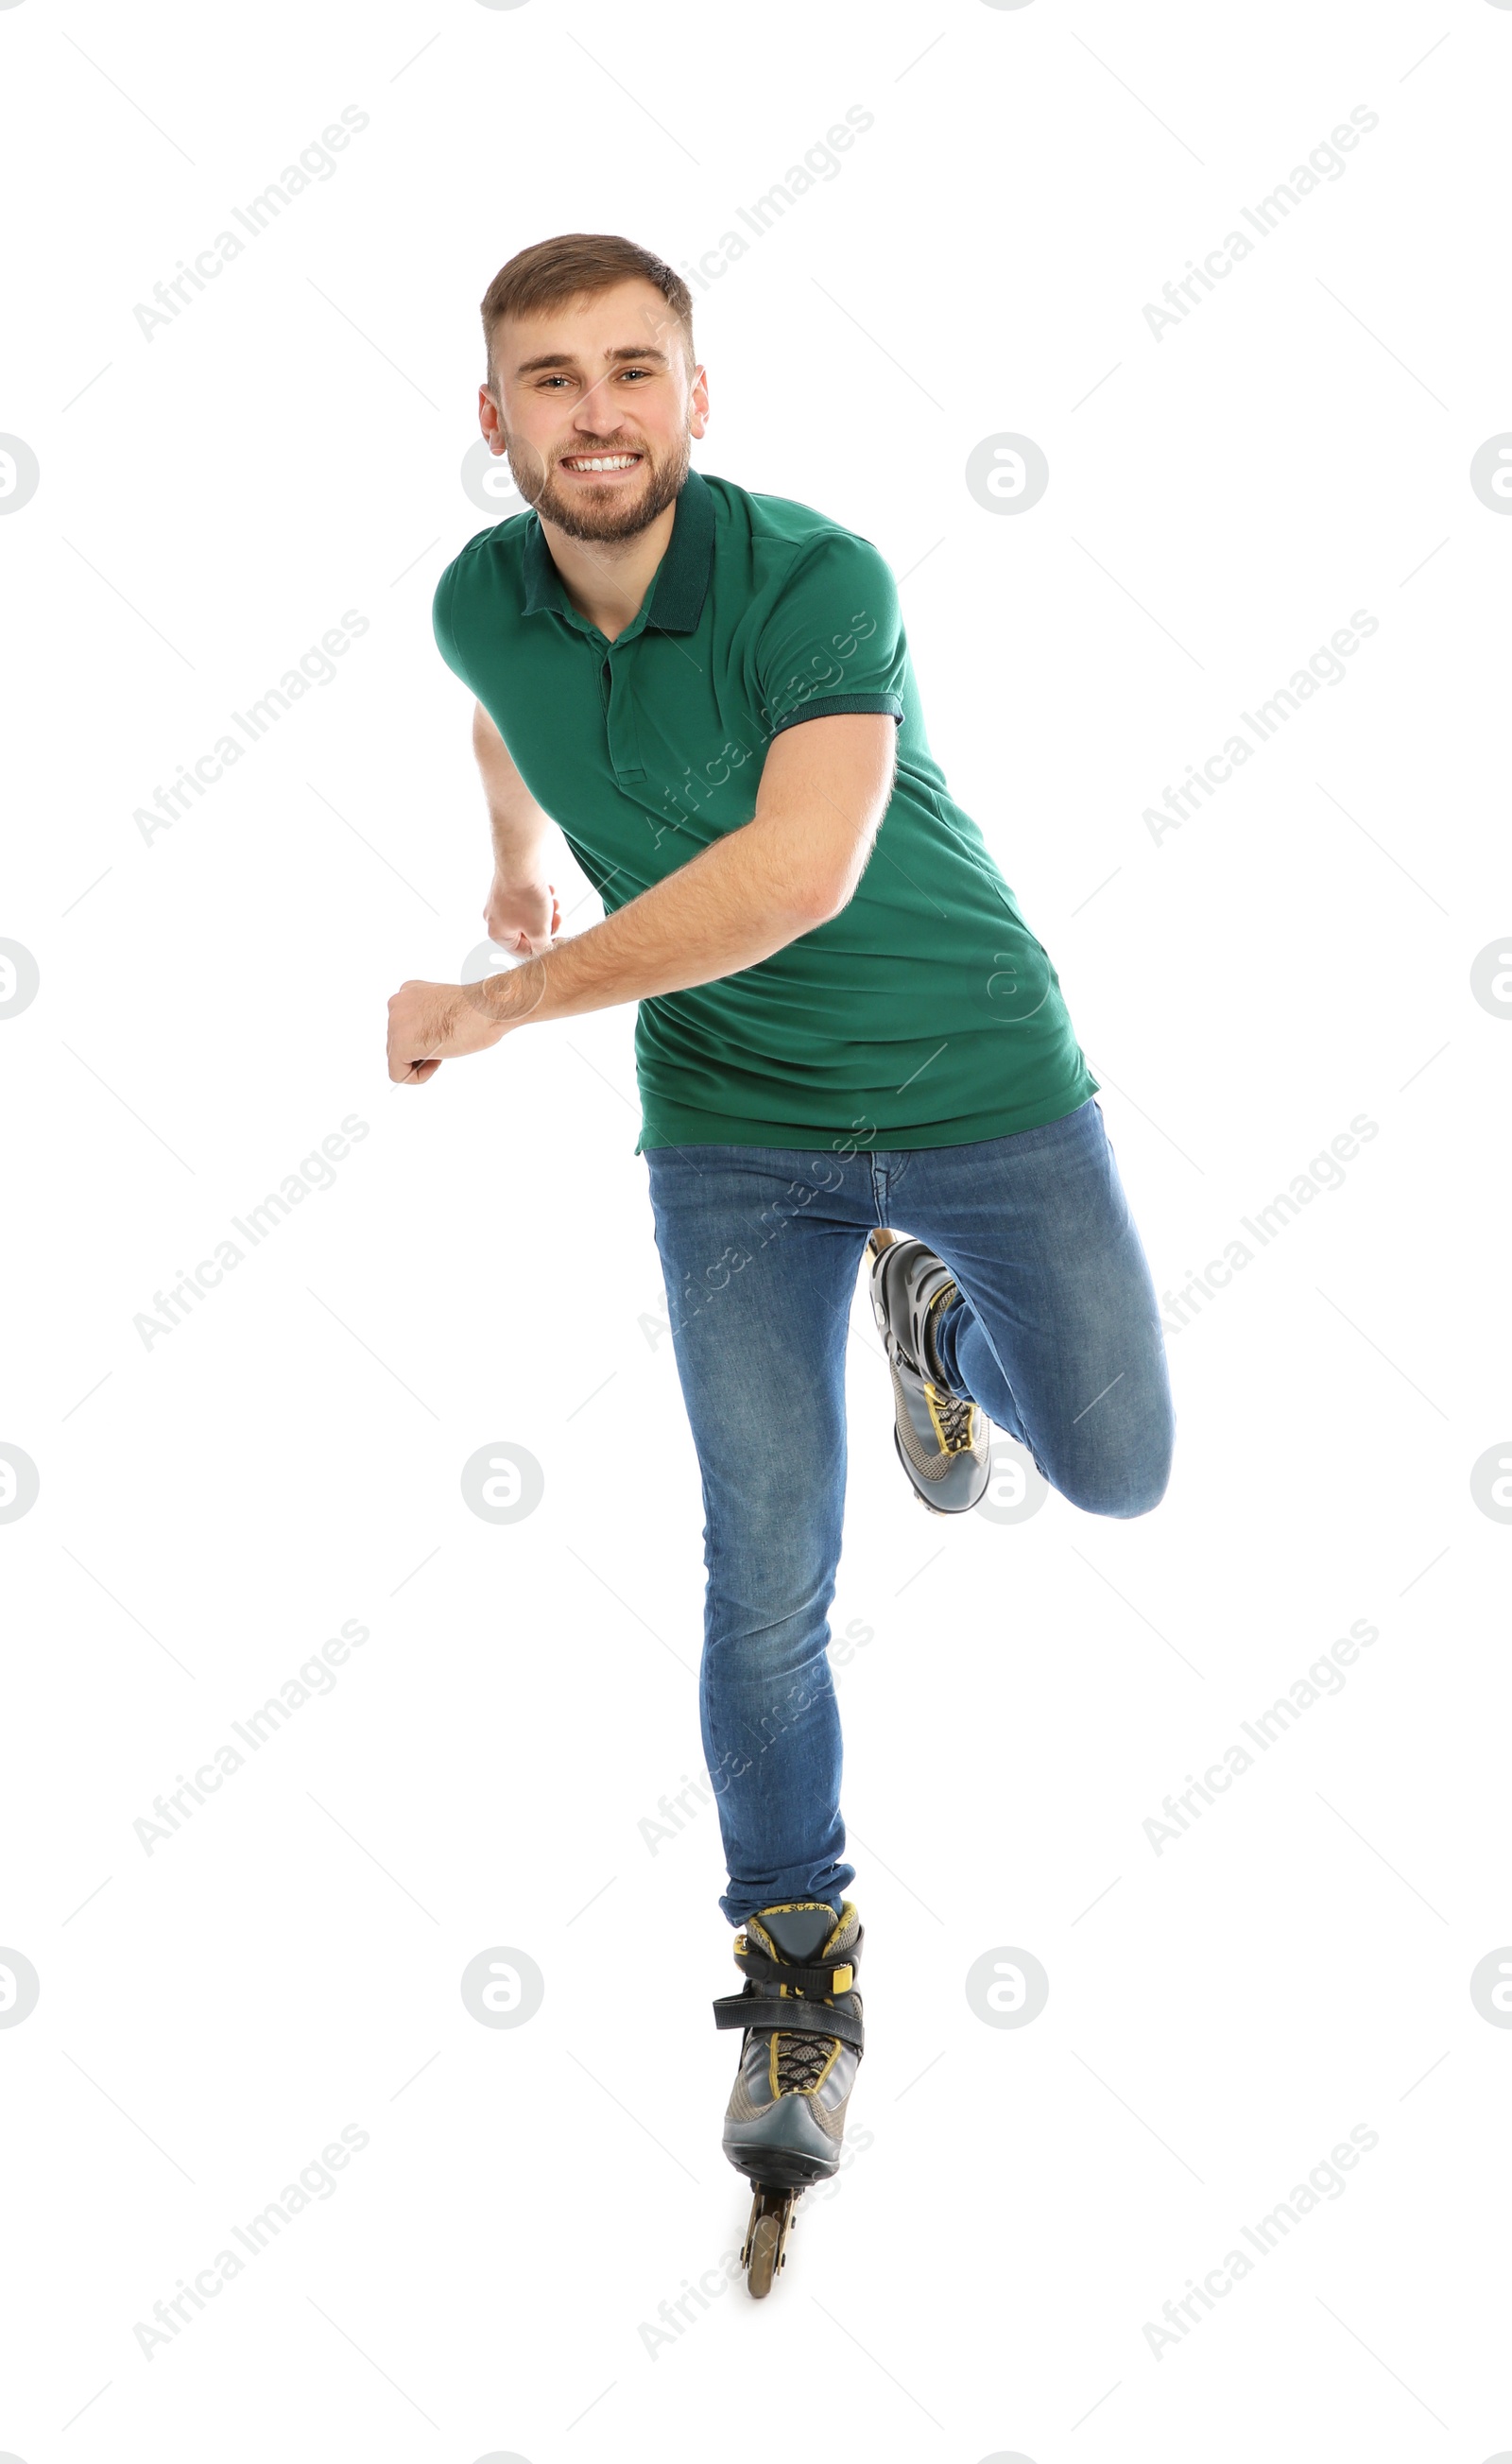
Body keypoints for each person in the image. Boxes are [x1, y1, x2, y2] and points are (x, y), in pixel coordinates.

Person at [387, 231, 1175, 2295]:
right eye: (546, 381)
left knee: (1112, 1461)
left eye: (632, 368)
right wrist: (506, 850)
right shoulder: (482, 596)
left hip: (974, 1071)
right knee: (766, 1569)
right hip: (731, 1134)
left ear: (696, 399)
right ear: (496, 426)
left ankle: (943, 1323)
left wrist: (503, 992)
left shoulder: (818, 580)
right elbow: (500, 701)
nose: (595, 410)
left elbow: (794, 873)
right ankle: (796, 1962)